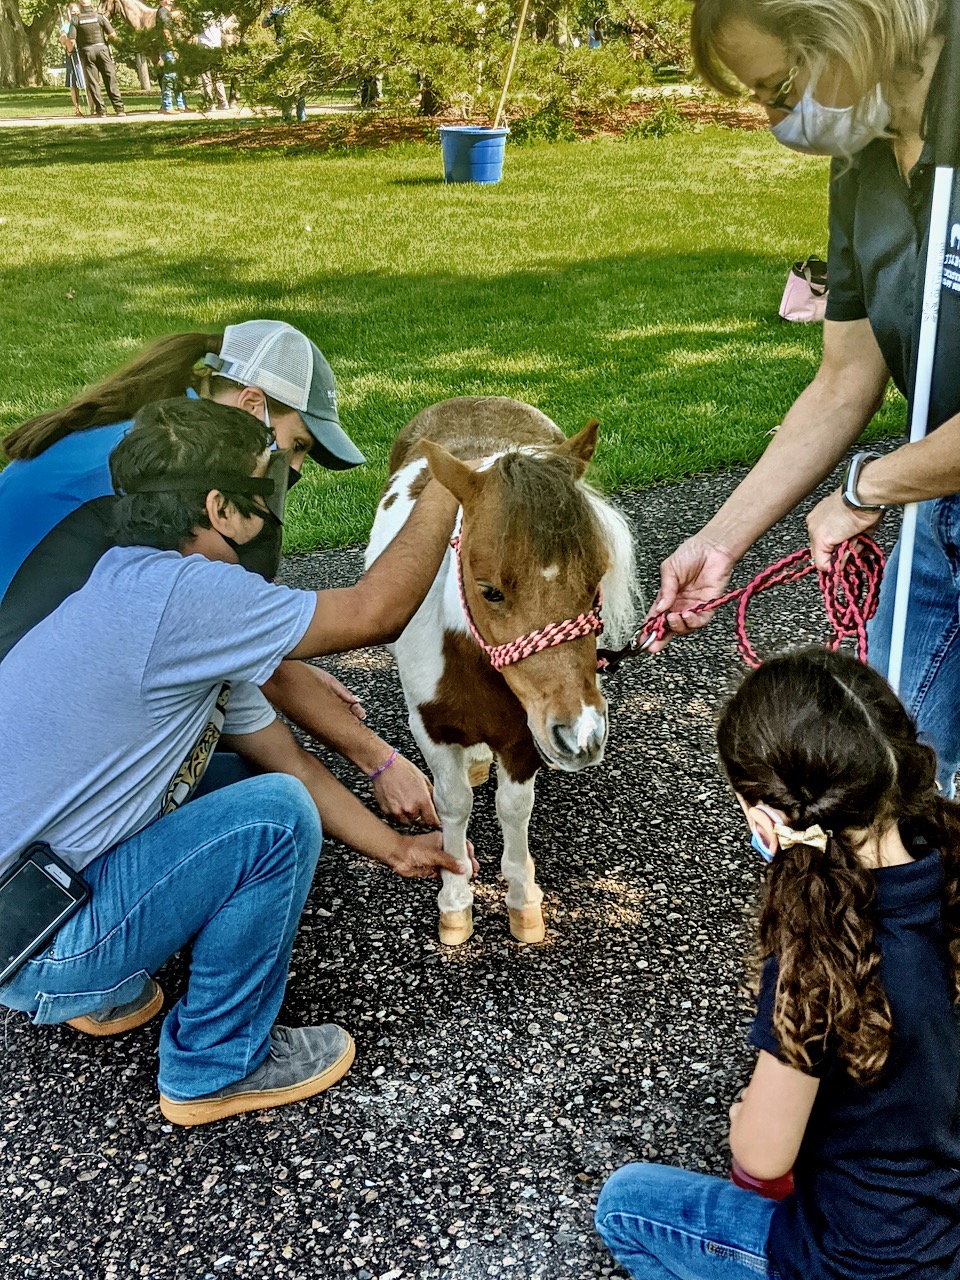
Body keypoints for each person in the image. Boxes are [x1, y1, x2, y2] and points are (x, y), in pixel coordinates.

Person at [0, 397, 475, 1126]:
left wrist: (394, 850)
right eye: (267, 484)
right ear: (221, 507)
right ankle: (216, 1064)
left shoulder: (129, 579)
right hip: (38, 948)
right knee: (275, 820)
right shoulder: (190, 597)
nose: (276, 499)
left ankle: (106, 991)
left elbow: (283, 756)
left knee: (243, 780)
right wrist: (446, 484)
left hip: (23, 915)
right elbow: (376, 611)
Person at [650, 0, 960, 793]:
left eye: (780, 87)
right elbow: (844, 377)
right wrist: (720, 542)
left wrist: (870, 487)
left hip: (919, 486)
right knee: (881, 792)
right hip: (940, 509)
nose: (777, 119)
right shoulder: (863, 156)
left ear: (849, 23)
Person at [596, 647, 960, 1278]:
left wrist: (746, 1116)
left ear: (769, 818)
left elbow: (761, 1160)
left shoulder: (822, 951)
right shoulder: (949, 868)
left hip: (866, 1261)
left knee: (626, 1206)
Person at [0, 320, 441, 830]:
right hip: (22, 730)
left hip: (29, 669)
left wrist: (275, 654)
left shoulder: (151, 440)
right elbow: (217, 620)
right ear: (253, 406)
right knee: (248, 796)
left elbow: (214, 624)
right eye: (296, 445)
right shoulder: (158, 475)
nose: (291, 468)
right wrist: (375, 758)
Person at [67, 0, 125, 117]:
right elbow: (112, 34)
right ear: (91, 4)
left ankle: (101, 110)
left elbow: (71, 40)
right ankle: (119, 109)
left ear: (79, 5)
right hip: (102, 49)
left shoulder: (76, 20)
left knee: (93, 82)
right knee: (110, 78)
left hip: (87, 51)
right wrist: (107, 43)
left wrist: (69, 51)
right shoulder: (100, 17)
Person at [263, 5, 306, 124]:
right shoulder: (298, 8)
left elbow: (264, 24)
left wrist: (269, 13)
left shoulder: (277, 11)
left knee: (285, 81)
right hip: (297, 47)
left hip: (282, 48)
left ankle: (287, 115)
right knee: (299, 82)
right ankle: (301, 115)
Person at [156, 0, 187, 113]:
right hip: (169, 48)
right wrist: (172, 47)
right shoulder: (162, 12)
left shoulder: (166, 12)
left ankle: (181, 105)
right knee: (170, 75)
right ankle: (167, 106)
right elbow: (165, 31)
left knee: (177, 76)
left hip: (173, 47)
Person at [59, 3, 89, 117]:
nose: (75, 14)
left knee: (87, 81)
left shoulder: (83, 22)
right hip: (72, 55)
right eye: (72, 12)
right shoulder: (67, 25)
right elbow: (62, 39)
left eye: (76, 11)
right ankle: (77, 108)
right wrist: (66, 39)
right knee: (73, 83)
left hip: (84, 53)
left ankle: (92, 107)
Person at [196, 12, 230, 112]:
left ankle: (210, 104)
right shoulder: (218, 13)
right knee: (217, 77)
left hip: (204, 47)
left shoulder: (199, 13)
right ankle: (223, 102)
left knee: (206, 78)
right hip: (216, 47)